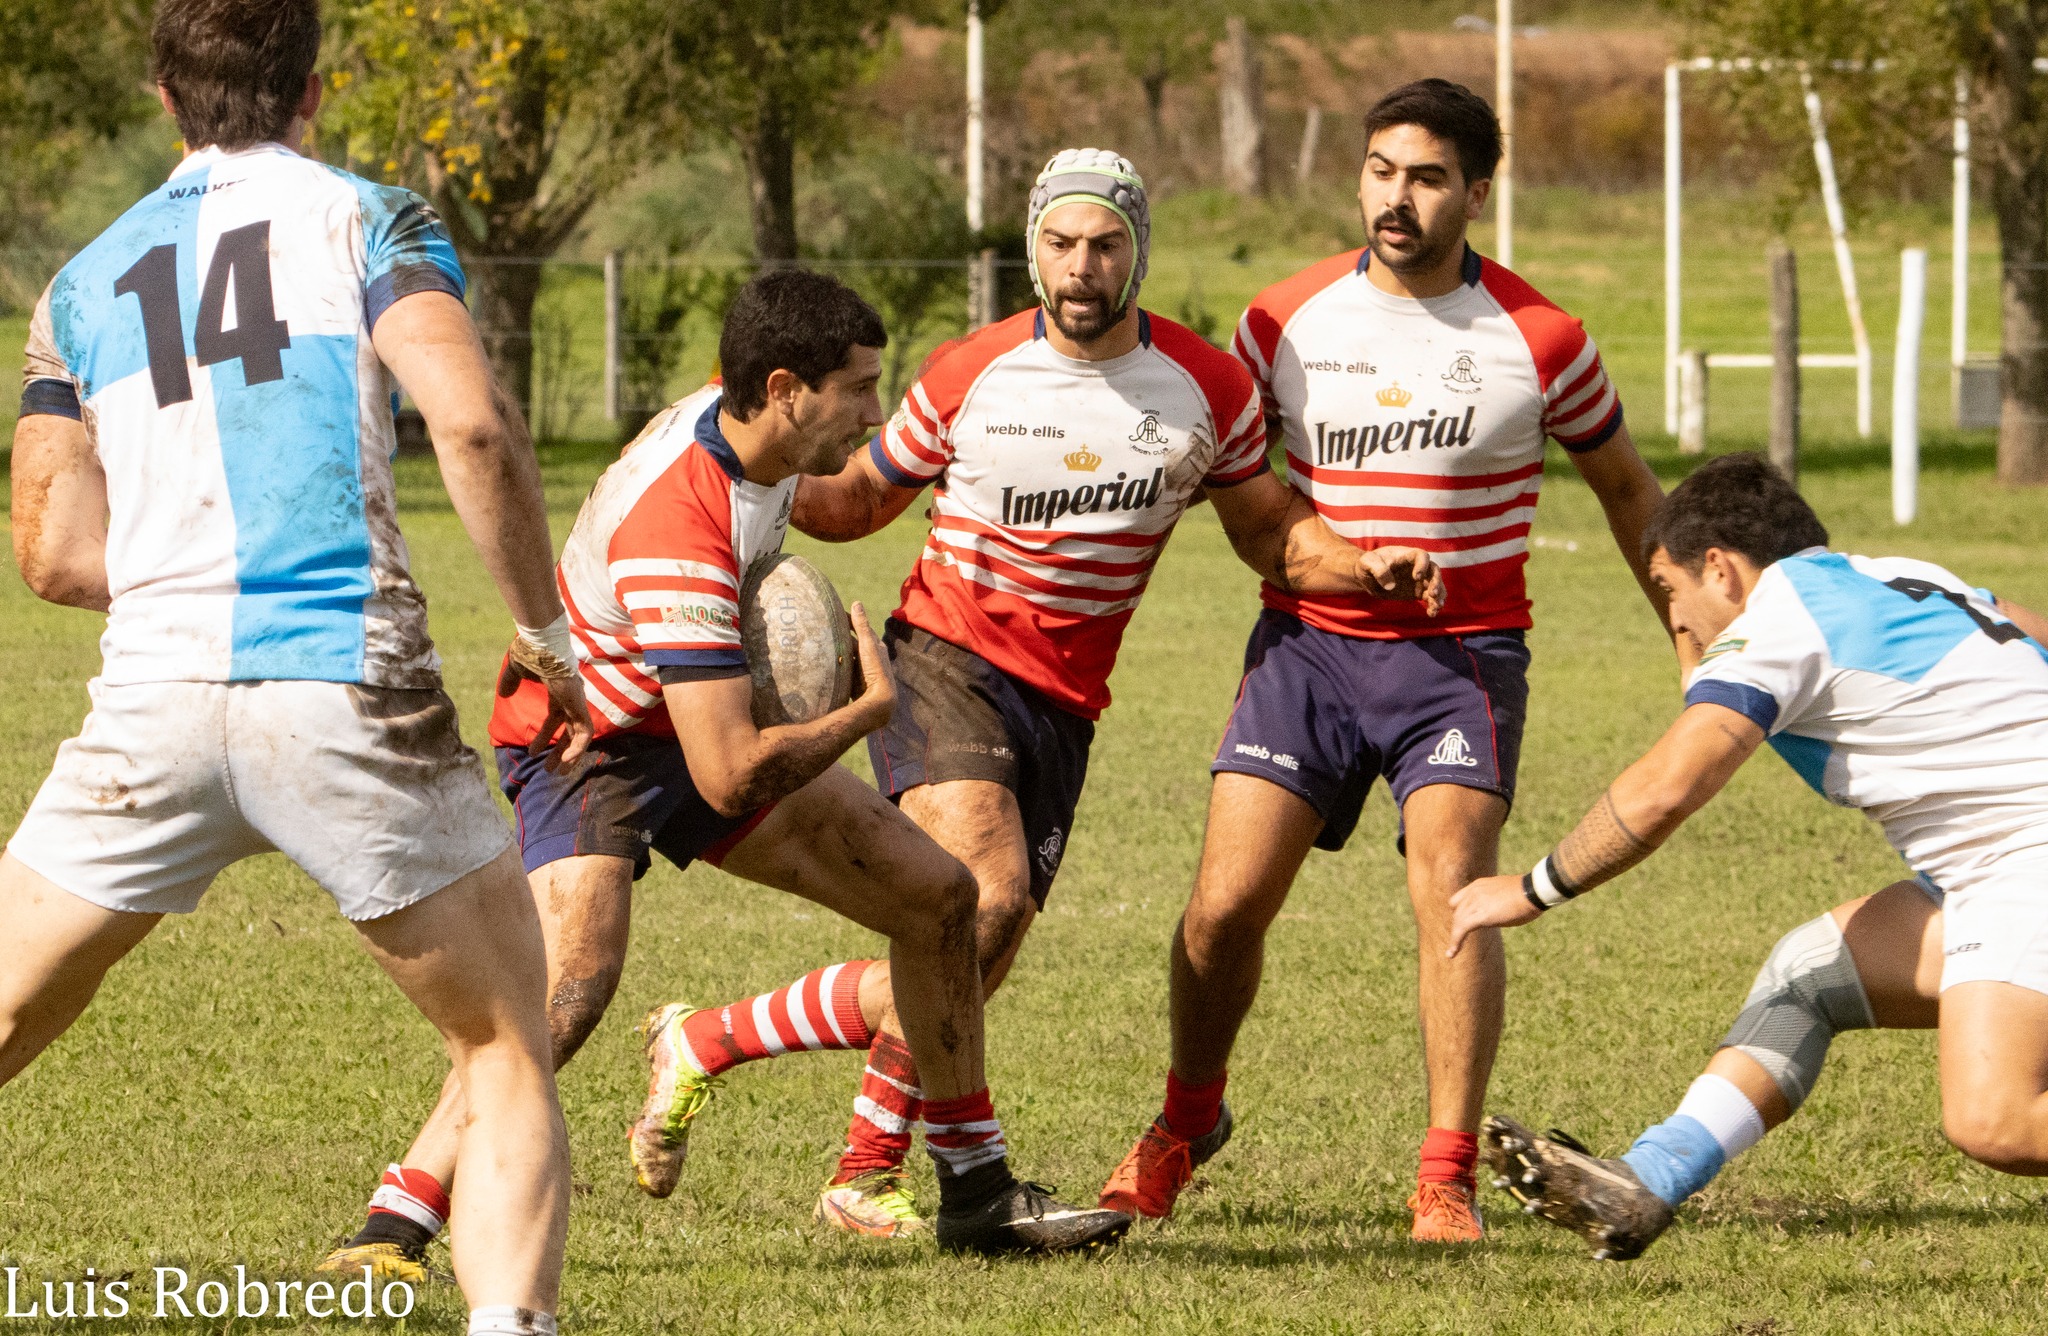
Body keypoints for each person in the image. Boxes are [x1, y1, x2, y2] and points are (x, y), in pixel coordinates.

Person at [626, 148, 1445, 1238]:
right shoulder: (974, 369)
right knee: (984, 896)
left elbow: (1267, 532)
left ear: (1136, 250)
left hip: (1066, 705)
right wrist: (730, 473)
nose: (1080, 266)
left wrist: (1359, 562)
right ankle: (905, 1177)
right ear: (1032, 249)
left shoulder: (1205, 385)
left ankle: (735, 1058)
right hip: (942, 659)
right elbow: (863, 493)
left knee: (971, 951)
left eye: (1104, 244)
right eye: (1059, 243)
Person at [324, 268, 1132, 1263]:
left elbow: (817, 544)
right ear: (787, 387)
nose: (875, 413)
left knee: (939, 897)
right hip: (592, 741)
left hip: (693, 712)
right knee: (566, 989)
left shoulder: (757, 430)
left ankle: (977, 1191)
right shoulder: (682, 527)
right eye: (861, 389)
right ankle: (392, 1222)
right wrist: (866, 712)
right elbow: (729, 778)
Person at [4, 3, 586, 1333]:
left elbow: (49, 550)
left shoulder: (81, 284)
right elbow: (479, 433)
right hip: (345, 686)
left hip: (149, 701)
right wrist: (545, 639)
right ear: (313, 90)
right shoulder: (371, 220)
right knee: (502, 1051)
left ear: (166, 96)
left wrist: (171, 568)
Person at [1098, 79, 1670, 1244]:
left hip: (1457, 660)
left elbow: (1626, 492)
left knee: (1456, 899)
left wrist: (1688, 630)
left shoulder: (1541, 337)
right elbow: (1239, 486)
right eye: (1377, 170)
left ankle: (1444, 1171)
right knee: (1219, 912)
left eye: (1421, 176)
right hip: (1306, 650)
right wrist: (1333, 562)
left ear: (1474, 189)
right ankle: (1182, 1122)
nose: (1394, 197)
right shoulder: (1280, 320)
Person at [1446, 453, 2048, 1261]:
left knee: (1996, 1120)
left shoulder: (1780, 619)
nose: (1677, 620)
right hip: (1999, 868)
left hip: (2024, 858)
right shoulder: (1896, 574)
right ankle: (1647, 1180)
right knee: (1811, 975)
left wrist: (1529, 888)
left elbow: (1665, 789)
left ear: (1722, 570)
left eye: (1670, 591)